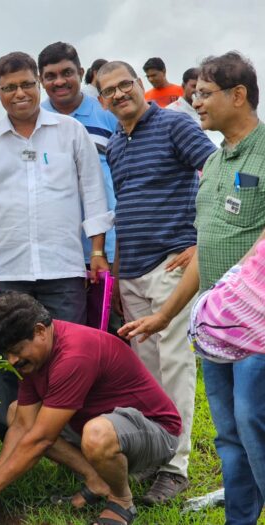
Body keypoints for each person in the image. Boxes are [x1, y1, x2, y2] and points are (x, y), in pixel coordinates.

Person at [119, 52, 265, 525]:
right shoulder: (217, 162)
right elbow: (206, 247)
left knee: (255, 423)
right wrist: (165, 316)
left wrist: (237, 283)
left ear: (237, 95)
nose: (194, 101)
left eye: (204, 93)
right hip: (217, 325)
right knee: (228, 432)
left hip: (258, 325)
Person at [0, 51, 112, 439]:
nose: (20, 93)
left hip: (64, 269)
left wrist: (96, 252)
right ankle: (13, 442)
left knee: (69, 360)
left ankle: (71, 443)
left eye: (27, 84)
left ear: (38, 84)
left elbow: (93, 193)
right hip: (5, 273)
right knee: (8, 360)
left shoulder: (70, 132)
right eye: (10, 88)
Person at [96, 60, 216, 504]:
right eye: (109, 90)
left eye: (126, 84)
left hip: (172, 265)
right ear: (102, 101)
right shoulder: (115, 144)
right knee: (145, 372)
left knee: (175, 364)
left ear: (142, 85)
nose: (119, 94)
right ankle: (153, 455)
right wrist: (117, 268)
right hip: (132, 273)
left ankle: (176, 465)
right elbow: (124, 208)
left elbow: (217, 173)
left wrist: (201, 240)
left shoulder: (174, 125)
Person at [0, 293, 181, 525]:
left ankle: (121, 500)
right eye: (6, 353)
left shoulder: (74, 355)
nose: (12, 360)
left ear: (41, 331)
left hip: (157, 433)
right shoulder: (38, 355)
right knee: (16, 412)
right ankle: (96, 480)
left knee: (96, 435)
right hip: (104, 424)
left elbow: (40, 439)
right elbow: (23, 425)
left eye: (17, 349)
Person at [38, 42, 117, 269]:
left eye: (67, 73)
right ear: (41, 80)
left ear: (81, 73)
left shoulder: (107, 113)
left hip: (109, 245)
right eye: (50, 76)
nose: (60, 81)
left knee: (111, 306)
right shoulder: (34, 120)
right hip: (58, 250)